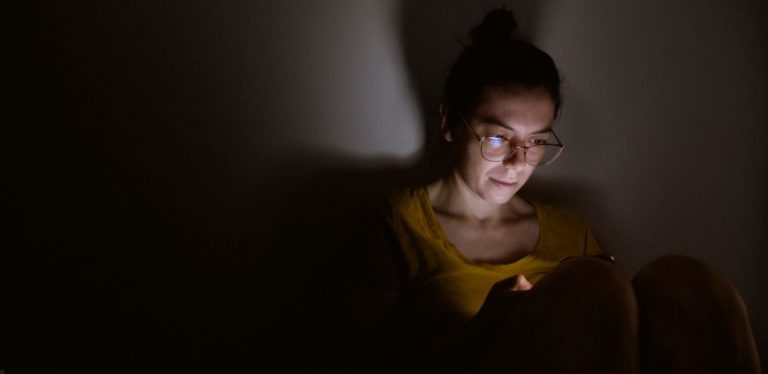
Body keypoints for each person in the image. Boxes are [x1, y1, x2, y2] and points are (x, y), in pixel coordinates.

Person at [357, 8, 762, 374]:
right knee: (589, 282)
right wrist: (486, 328)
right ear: (449, 123)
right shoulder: (396, 227)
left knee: (687, 281)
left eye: (535, 142)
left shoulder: (571, 233)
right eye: (497, 138)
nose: (518, 162)